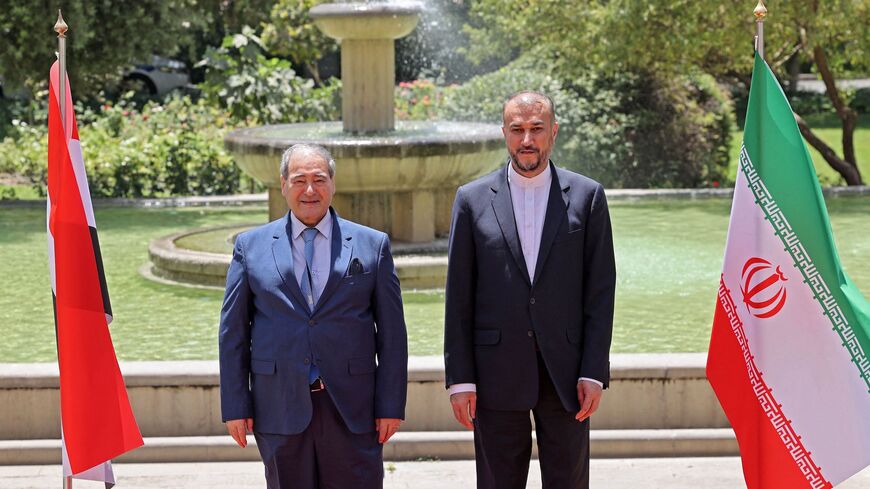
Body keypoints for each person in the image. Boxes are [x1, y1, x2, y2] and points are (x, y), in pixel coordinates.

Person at [443, 91, 616, 489]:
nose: (527, 140)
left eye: (536, 129)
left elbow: (600, 291)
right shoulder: (470, 200)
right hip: (495, 373)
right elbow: (459, 298)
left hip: (567, 373)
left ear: (553, 132)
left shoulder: (588, 197)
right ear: (504, 133)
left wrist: (593, 370)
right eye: (517, 129)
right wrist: (461, 379)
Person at [219, 143, 408, 489]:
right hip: (279, 405)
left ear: (333, 184)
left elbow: (393, 335)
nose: (310, 190)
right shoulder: (250, 246)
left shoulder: (372, 244)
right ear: (283, 185)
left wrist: (391, 404)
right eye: (299, 179)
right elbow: (233, 333)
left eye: (319, 179)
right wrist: (234, 404)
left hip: (354, 408)